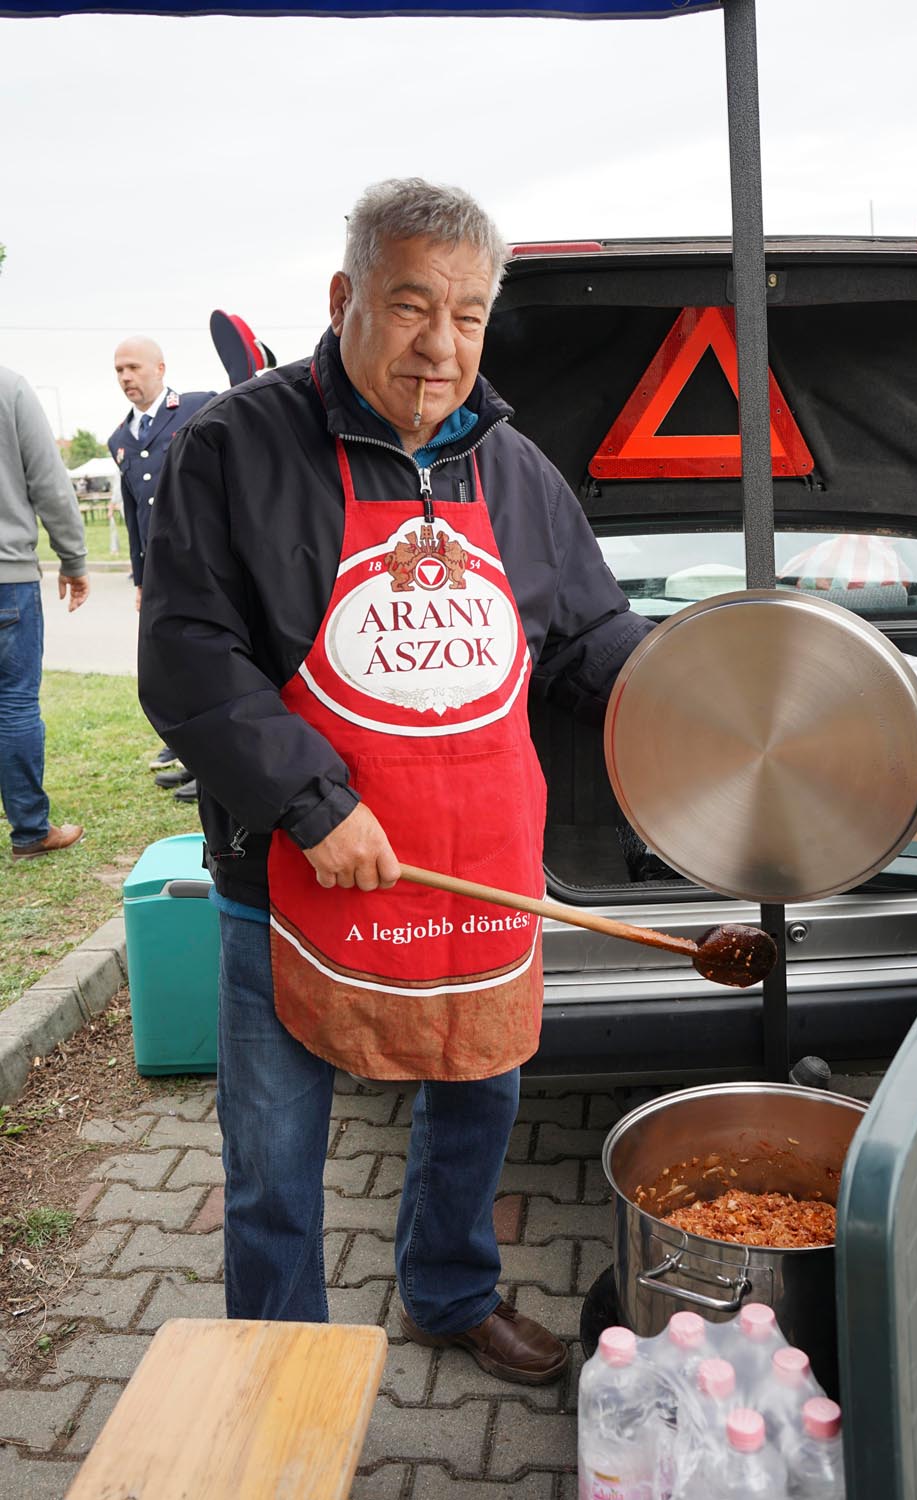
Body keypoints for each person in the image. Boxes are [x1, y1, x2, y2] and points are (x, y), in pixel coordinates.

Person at [137, 179, 652, 1386]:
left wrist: (706, 705)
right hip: (294, 876)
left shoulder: (512, 468)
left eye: (467, 316)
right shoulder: (235, 446)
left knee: (475, 1100)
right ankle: (283, 1365)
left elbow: (588, 638)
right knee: (274, 1155)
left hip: (478, 875)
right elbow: (188, 654)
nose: (440, 345)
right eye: (412, 305)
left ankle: (449, 1291)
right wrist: (313, 804)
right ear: (345, 297)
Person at [107, 336, 214, 795]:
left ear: (160, 368)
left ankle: (215, 772)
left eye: (133, 367)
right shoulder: (120, 439)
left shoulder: (196, 407)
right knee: (177, 669)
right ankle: (193, 761)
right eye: (119, 370)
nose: (126, 377)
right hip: (162, 571)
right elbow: (135, 515)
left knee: (212, 667)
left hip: (205, 560)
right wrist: (140, 577)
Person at [0, 365, 89, 860]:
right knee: (13, 703)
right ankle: (31, 831)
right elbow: (50, 484)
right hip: (6, 576)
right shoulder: (8, 386)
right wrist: (73, 560)